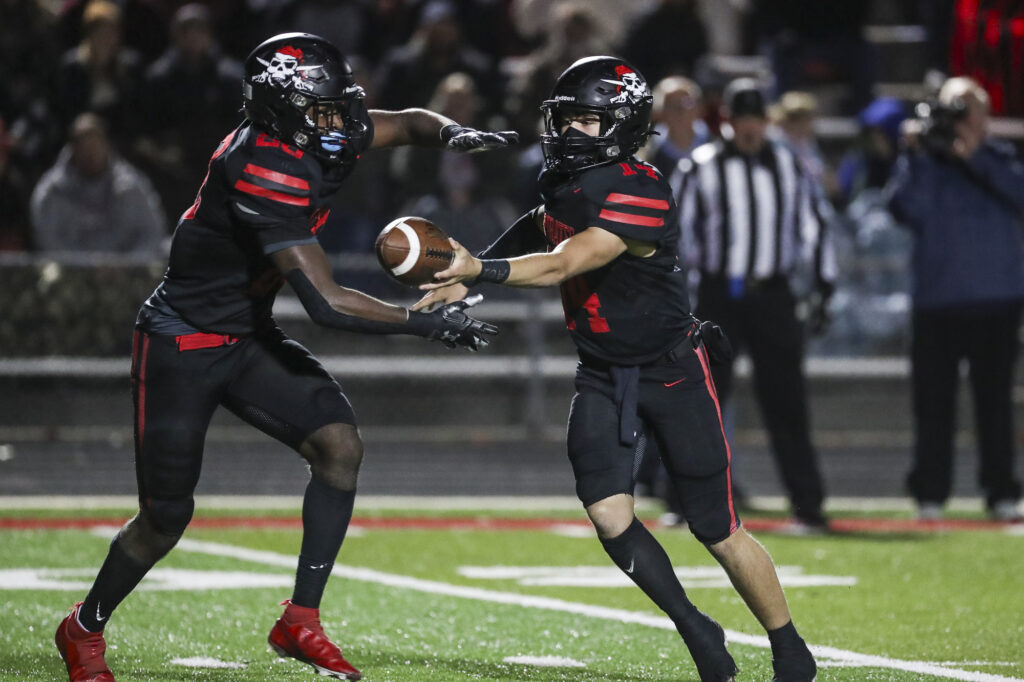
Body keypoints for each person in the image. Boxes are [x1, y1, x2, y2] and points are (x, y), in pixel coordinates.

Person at [53, 32, 514, 682]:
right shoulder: (263, 163)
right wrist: (422, 322)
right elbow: (325, 302)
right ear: (282, 110)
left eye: (341, 104)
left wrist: (452, 133)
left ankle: (300, 620)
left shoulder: (318, 129)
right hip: (182, 341)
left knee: (339, 446)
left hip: (244, 334)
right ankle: (82, 628)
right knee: (165, 517)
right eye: (325, 110)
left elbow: (408, 122)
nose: (342, 121)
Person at [414, 56, 817, 682]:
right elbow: (542, 228)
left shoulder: (641, 188)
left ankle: (791, 648)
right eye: (565, 119)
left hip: (673, 371)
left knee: (718, 528)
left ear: (621, 126)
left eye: (586, 121)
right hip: (602, 370)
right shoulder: (567, 184)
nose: (569, 133)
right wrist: (471, 282)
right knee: (608, 514)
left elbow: (565, 261)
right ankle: (695, 626)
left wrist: (477, 271)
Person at [670, 78, 837, 534]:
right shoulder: (700, 165)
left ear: (766, 122)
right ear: (728, 122)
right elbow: (674, 232)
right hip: (720, 295)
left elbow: (815, 224)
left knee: (787, 402)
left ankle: (808, 504)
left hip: (773, 294)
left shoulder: (788, 163)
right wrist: (675, 294)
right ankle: (688, 502)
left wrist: (823, 284)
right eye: (741, 119)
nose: (749, 128)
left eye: (756, 119)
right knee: (701, 401)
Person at [884, 76, 1024, 522]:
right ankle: (930, 493)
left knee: (996, 404)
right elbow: (903, 207)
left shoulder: (1003, 159)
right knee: (933, 406)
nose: (962, 118)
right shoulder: (925, 161)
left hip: (997, 301)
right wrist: (919, 154)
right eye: (954, 109)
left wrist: (975, 156)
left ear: (985, 116)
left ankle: (1001, 491)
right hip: (937, 303)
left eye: (969, 109)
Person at [30, 112, 165, 254]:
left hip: (124, 271)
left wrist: (125, 265)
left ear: (106, 145)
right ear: (73, 149)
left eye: (95, 143)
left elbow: (152, 233)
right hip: (69, 272)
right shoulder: (53, 190)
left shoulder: (130, 186)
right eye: (84, 145)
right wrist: (85, 267)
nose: (90, 153)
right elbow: (47, 240)